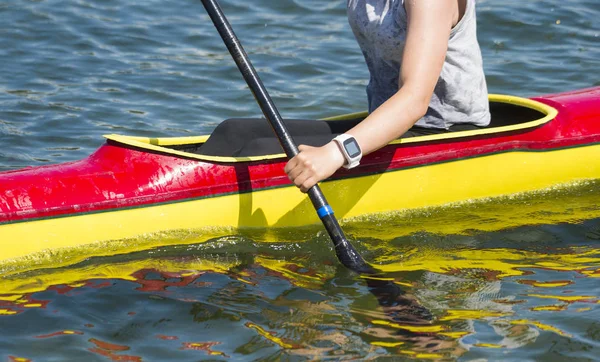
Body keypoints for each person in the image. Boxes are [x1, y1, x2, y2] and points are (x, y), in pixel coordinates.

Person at [285, 0, 491, 192]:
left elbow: (414, 100)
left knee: (260, 148)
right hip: (385, 125)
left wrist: (336, 153)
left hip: (445, 132)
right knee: (253, 135)